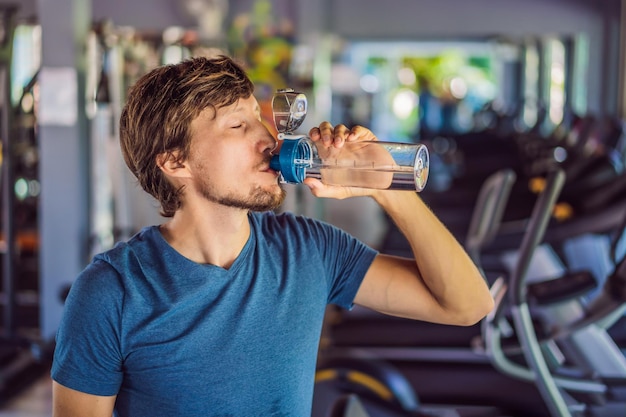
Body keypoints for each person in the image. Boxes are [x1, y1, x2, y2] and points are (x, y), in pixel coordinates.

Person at [51, 55, 494, 417]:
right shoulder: (111, 292)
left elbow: (468, 306)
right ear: (175, 161)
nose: (266, 138)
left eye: (257, 118)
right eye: (237, 126)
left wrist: (387, 187)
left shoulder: (310, 249)